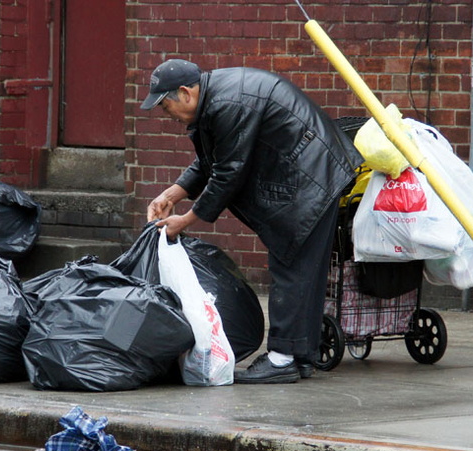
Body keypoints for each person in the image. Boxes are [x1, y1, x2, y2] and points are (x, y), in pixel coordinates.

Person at [140, 58, 363, 384]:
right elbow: (210, 162)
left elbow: (228, 172)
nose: (166, 114)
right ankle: (300, 356)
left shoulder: (227, 104)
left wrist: (185, 220)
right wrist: (171, 196)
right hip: (310, 174)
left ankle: (282, 358)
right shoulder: (214, 101)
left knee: (292, 267)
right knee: (303, 270)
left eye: (165, 105)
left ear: (186, 93)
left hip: (312, 177)